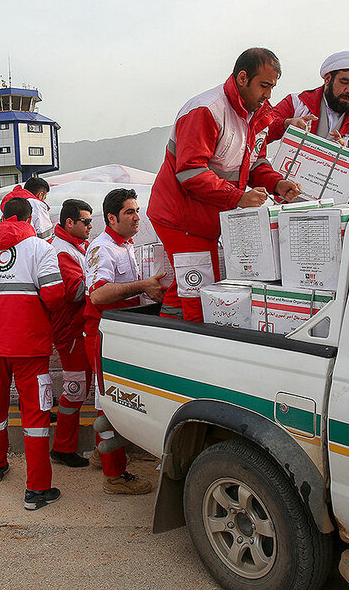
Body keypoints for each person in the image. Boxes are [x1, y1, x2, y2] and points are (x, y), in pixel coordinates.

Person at [147, 48, 302, 321]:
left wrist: (277, 184)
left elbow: (254, 163)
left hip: (204, 219)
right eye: (263, 86)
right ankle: (189, 353)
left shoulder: (257, 115)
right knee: (200, 291)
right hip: (181, 218)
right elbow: (191, 173)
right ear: (243, 78)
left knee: (189, 287)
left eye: (272, 88)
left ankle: (165, 336)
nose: (268, 95)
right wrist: (237, 198)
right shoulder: (205, 110)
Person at [0, 197, 65, 510]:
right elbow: (54, 295)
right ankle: (37, 489)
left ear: (3, 217)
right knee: (35, 415)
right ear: (28, 218)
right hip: (30, 346)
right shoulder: (41, 249)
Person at [85, 188, 165, 495]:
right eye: (130, 212)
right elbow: (98, 295)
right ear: (111, 217)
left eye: (137, 210)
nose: (136, 217)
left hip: (122, 331)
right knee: (109, 405)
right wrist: (142, 286)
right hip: (105, 334)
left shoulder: (126, 245)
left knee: (112, 400)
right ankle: (114, 476)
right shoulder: (103, 248)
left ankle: (99, 455)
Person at [267, 50, 349, 203]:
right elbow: (261, 130)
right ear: (328, 79)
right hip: (293, 203)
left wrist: (345, 155)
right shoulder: (297, 103)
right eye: (345, 82)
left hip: (344, 207)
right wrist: (286, 124)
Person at [48, 199, 95, 468]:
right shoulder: (63, 251)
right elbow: (75, 291)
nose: (90, 226)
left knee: (81, 388)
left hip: (79, 329)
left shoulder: (77, 247)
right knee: (76, 390)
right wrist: (101, 280)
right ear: (69, 223)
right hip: (72, 332)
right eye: (86, 221)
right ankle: (62, 448)